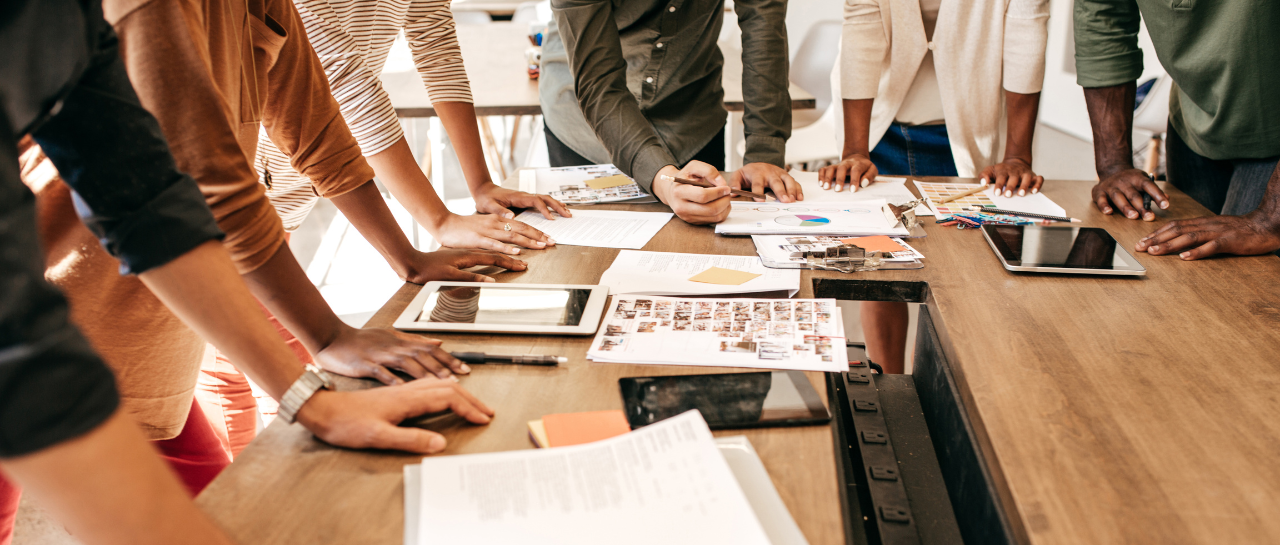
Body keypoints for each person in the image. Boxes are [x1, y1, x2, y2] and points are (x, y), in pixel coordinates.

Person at [1, 2, 528, 545]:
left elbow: (148, 195)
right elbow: (25, 340)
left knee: (240, 530)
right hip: (56, 307)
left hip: (106, 319)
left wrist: (313, 390)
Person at [819, 0, 1050, 373]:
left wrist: (1018, 155)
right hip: (879, 123)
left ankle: (940, 391)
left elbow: (1027, 37)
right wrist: (855, 150)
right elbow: (862, 33)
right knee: (880, 269)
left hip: (969, 129)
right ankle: (889, 386)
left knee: (960, 277)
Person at [256, 0, 572, 258]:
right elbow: (346, 82)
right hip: (256, 160)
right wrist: (440, 221)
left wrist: (481, 185)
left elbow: (436, 45)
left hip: (305, 160)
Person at [539, 0, 802, 226]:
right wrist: (664, 180)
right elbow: (599, 84)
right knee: (593, 259)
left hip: (691, 117)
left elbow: (764, 29)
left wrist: (764, 151)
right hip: (587, 130)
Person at [1074, 0, 1280, 260]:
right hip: (1192, 122)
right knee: (1178, 267)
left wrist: (1271, 219)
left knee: (1248, 279)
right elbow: (1103, 17)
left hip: (1272, 134)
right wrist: (1113, 165)